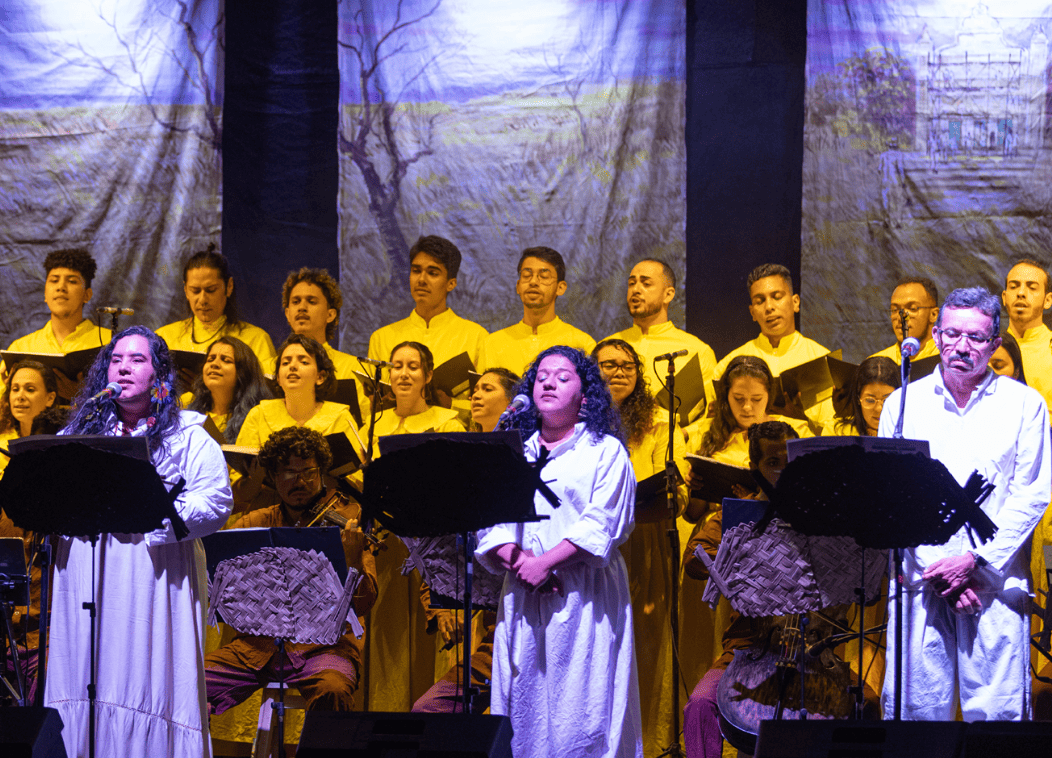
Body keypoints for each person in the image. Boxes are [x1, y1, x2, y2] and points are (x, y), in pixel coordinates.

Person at [45, 326, 232, 757]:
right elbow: (49, 486)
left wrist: (155, 518)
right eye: (116, 360)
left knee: (147, 667)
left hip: (153, 566)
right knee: (89, 665)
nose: (124, 367)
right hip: (89, 565)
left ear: (159, 374)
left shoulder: (188, 436)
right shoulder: (80, 432)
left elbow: (216, 498)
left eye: (137, 360)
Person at [878, 287, 1050, 721]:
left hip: (993, 582)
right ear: (935, 334)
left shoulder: (1023, 405)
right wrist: (942, 570)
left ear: (994, 343)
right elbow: (893, 494)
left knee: (997, 718)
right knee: (915, 715)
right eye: (952, 334)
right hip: (922, 581)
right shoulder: (903, 403)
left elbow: (1032, 493)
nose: (961, 346)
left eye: (976, 338)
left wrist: (974, 564)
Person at [477, 345, 643, 758]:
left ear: (585, 396)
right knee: (523, 704)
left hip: (583, 595)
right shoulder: (516, 451)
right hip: (522, 592)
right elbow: (491, 522)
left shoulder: (605, 452)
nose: (549, 381)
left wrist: (547, 563)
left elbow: (603, 522)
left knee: (584, 712)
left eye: (563, 376)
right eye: (542, 375)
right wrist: (523, 565)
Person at [204, 427, 378, 715]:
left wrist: (353, 560)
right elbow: (221, 591)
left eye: (308, 472)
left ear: (322, 472)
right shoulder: (254, 523)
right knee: (190, 686)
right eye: (288, 472)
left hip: (326, 649)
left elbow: (363, 604)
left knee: (333, 690)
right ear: (272, 476)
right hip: (257, 648)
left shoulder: (348, 522)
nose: (299, 481)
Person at [593, 338, 690, 756]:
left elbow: (680, 494)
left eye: (626, 365)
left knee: (645, 652)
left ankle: (649, 745)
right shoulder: (576, 423)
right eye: (607, 365)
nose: (616, 372)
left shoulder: (662, 425)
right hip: (592, 553)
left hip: (646, 549)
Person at [358, 340, 466, 712]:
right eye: (396, 366)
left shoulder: (446, 421)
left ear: (428, 375)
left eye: (412, 367)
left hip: (428, 543)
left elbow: (452, 483)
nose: (403, 373)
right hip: (386, 547)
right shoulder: (374, 423)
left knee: (423, 646)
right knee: (387, 642)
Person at [682, 420, 799, 758]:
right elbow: (694, 558)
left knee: (862, 703)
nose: (783, 471)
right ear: (754, 468)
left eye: (790, 462)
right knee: (700, 705)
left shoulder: (817, 513)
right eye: (773, 463)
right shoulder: (738, 514)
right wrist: (746, 558)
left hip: (810, 647)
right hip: (748, 648)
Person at [410, 367, 520, 715]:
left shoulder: (529, 459)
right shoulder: (459, 458)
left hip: (527, 620)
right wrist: (441, 604)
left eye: (487, 388)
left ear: (513, 402)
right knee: (430, 710)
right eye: (473, 387)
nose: (475, 394)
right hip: (483, 623)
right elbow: (436, 539)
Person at [603, 258, 717, 445]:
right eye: (632, 283)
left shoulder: (696, 351)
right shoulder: (607, 347)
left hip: (671, 457)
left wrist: (682, 436)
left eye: (646, 283)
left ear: (668, 295)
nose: (636, 289)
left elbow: (712, 418)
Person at [713, 264, 834, 432]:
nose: (769, 307)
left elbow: (836, 431)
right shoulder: (728, 364)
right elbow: (713, 424)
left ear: (795, 302)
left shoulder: (823, 360)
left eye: (777, 297)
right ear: (752, 312)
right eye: (759, 301)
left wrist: (801, 420)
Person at [0, 360, 59, 704]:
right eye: (15, 389)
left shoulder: (58, 446)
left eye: (30, 389)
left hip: (43, 601)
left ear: (51, 398)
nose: (20, 396)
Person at [368, 235, 489, 379]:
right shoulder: (382, 338)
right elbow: (371, 398)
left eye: (432, 273)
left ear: (451, 283)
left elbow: (486, 397)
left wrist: (449, 402)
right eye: (416, 271)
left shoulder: (476, 338)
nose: (421, 280)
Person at [1, 248, 112, 399]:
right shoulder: (21, 348)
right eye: (54, 280)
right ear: (45, 294)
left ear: (87, 295)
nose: (61, 287)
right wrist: (9, 394)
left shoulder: (111, 342)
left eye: (72, 281)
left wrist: (81, 396)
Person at [156, 245, 277, 374]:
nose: (202, 300)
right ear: (186, 290)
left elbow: (266, 392)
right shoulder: (164, 338)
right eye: (195, 291)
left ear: (229, 287)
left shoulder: (256, 340)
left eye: (211, 290)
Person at [477, 247, 595, 376]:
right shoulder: (492, 344)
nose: (533, 282)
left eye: (544, 276)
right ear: (518, 286)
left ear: (560, 288)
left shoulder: (582, 344)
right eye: (527, 276)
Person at [282, 267, 371, 419]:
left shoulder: (353, 368)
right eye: (296, 302)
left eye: (311, 301)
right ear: (288, 314)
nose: (302, 308)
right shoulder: (271, 367)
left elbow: (364, 422)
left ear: (330, 314)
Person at [185, 336, 272, 443]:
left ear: (243, 373)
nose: (214, 364)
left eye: (226, 360)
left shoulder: (258, 417)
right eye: (210, 359)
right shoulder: (186, 405)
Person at [1002, 259, 1052, 410]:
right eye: (1014, 286)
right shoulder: (987, 350)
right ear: (1004, 297)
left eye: (1032, 288)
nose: (1021, 293)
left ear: (1047, 300)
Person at [869, 277, 940, 364]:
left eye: (912, 308)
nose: (900, 318)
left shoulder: (948, 360)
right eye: (895, 310)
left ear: (933, 314)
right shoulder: (877, 363)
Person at [832, 356, 900, 436]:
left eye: (887, 401)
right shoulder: (838, 432)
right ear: (858, 398)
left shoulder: (913, 434)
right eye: (870, 400)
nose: (879, 409)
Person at [467, 368, 519, 433]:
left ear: (511, 399)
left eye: (488, 389)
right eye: (475, 391)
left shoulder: (525, 441)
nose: (475, 396)